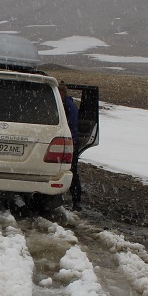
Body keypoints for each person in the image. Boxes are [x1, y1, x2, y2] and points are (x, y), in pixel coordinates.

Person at [59, 82, 82, 210]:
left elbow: (71, 126)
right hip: (68, 141)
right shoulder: (65, 105)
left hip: (70, 142)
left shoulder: (68, 106)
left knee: (71, 170)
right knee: (68, 170)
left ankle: (76, 200)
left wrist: (69, 142)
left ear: (61, 93)